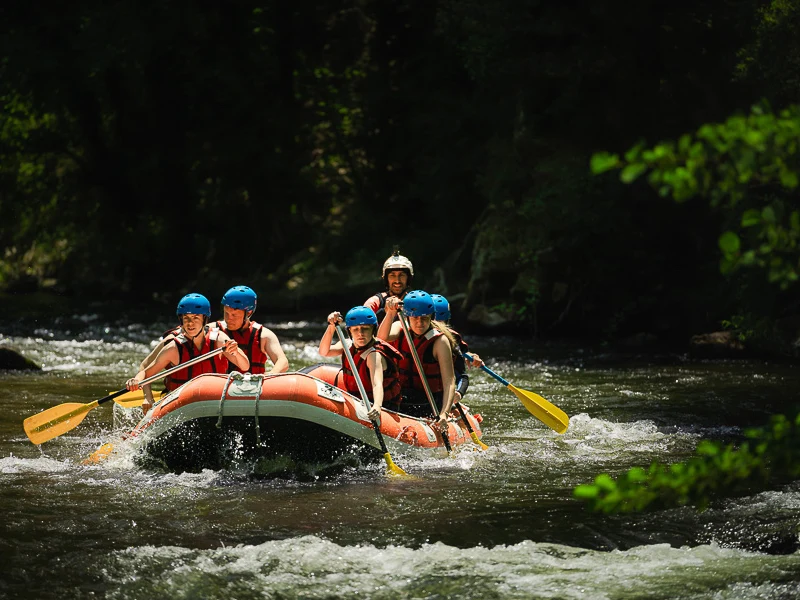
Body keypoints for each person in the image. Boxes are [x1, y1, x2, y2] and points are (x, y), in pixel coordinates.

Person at [126, 293, 249, 406]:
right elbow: (146, 373)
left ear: (204, 319)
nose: (190, 323)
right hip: (181, 403)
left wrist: (236, 352)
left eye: (195, 318)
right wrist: (139, 384)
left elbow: (245, 366)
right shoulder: (173, 348)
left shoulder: (219, 340)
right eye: (186, 318)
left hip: (214, 399)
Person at [376, 290, 456, 430]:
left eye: (424, 318)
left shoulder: (440, 341)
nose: (420, 323)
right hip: (400, 397)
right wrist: (390, 313)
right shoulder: (400, 328)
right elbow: (380, 340)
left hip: (427, 402)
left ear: (431, 316)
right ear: (407, 317)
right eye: (415, 318)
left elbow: (449, 382)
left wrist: (444, 414)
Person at [318, 306, 403, 423]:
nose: (360, 333)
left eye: (365, 329)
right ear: (349, 331)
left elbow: (377, 383)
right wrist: (331, 326)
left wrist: (377, 406)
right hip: (358, 399)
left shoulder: (374, 355)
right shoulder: (347, 345)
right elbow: (324, 351)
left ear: (373, 330)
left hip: (382, 405)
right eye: (356, 329)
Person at [209, 285, 290, 375]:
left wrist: (271, 374)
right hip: (220, 385)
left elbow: (283, 362)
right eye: (226, 313)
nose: (228, 319)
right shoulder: (213, 330)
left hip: (254, 385)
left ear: (249, 313)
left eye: (234, 315)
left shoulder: (263, 335)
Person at [430, 293, 484, 406]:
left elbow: (461, 376)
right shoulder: (408, 336)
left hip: (438, 397)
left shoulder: (453, 342)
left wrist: (458, 393)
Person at [363, 249, 414, 323]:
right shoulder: (375, 302)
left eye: (402, 275)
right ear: (386, 279)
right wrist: (384, 312)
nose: (397, 280)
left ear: (408, 278)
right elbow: (363, 321)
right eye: (392, 275)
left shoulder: (415, 301)